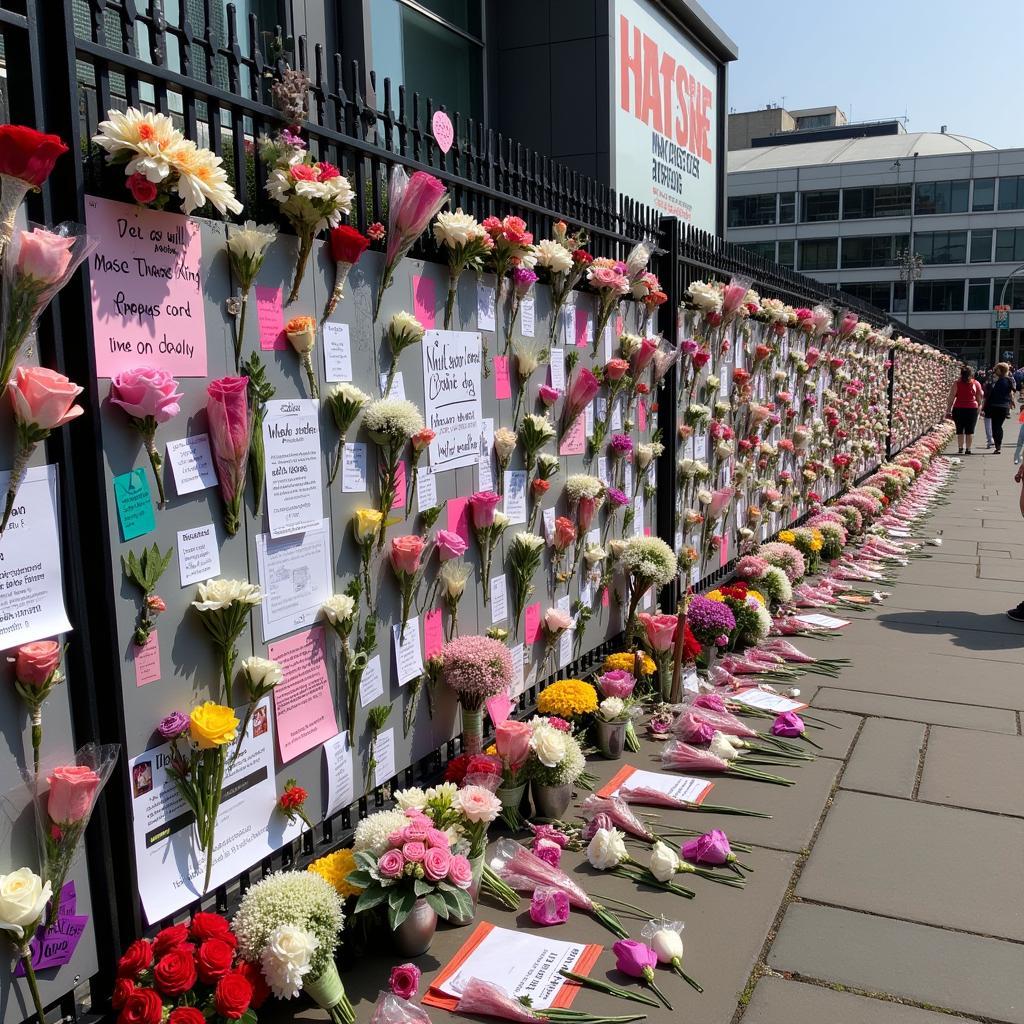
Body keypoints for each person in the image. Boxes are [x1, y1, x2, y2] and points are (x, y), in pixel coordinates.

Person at [947, 364, 983, 454]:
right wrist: (979, 407)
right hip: (972, 409)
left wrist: (948, 409)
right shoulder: (976, 383)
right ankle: (968, 449)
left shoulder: (956, 383)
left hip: (958, 408)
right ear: (971, 374)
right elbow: (979, 397)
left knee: (959, 430)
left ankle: (960, 448)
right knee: (970, 430)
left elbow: (951, 397)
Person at [982, 362, 1015, 454]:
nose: (994, 371)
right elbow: (1010, 392)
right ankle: (998, 445)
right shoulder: (1008, 380)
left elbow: (992, 394)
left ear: (1001, 370)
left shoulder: (999, 381)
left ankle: (998, 446)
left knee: (995, 426)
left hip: (996, 406)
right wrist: (1011, 402)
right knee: (998, 426)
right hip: (1004, 406)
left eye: (996, 369)